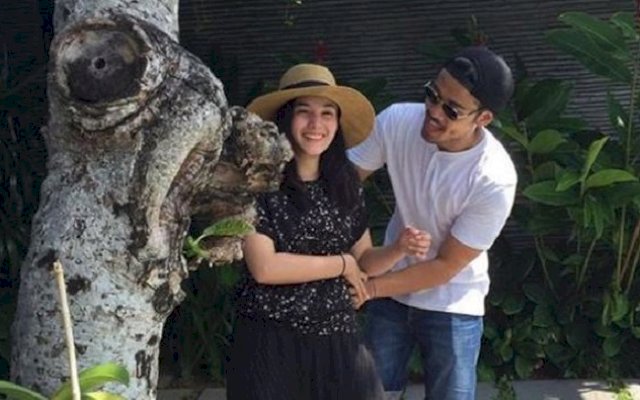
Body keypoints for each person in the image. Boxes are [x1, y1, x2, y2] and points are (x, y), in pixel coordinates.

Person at [225, 63, 431, 400]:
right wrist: (341, 264)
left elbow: (364, 260)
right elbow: (265, 267)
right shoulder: (257, 183)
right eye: (304, 112)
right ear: (285, 119)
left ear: (337, 123)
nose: (316, 124)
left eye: (327, 113)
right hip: (270, 340)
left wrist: (398, 249)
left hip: (338, 338)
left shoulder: (344, 183)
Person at [347, 46, 518, 400]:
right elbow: (343, 185)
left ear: (483, 118)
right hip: (390, 285)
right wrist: (362, 255)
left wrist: (371, 288)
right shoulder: (397, 121)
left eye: (451, 110)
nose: (434, 111)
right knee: (369, 393)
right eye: (431, 94)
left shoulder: (494, 178)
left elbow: (446, 265)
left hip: (454, 301)